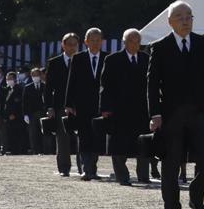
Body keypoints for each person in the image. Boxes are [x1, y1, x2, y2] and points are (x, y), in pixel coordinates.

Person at [147, 1, 204, 209]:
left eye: (189, 16)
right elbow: (152, 83)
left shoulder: (203, 43)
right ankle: (172, 208)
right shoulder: (159, 47)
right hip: (171, 115)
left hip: (199, 112)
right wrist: (155, 113)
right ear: (170, 22)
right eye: (180, 17)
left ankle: (197, 200)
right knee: (170, 163)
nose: (185, 20)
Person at [98, 30, 150, 185]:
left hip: (141, 109)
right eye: (131, 41)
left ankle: (143, 176)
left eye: (137, 41)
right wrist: (105, 107)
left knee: (143, 143)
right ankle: (122, 176)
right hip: (119, 109)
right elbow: (105, 85)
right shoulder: (113, 59)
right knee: (119, 144)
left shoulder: (146, 59)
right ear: (124, 42)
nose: (135, 45)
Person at [64, 28, 108, 181]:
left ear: (102, 41)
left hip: (101, 105)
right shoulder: (78, 58)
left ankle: (93, 169)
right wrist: (68, 104)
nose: (95, 43)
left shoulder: (107, 58)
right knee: (83, 136)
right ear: (86, 42)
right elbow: (72, 81)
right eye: (92, 40)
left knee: (97, 137)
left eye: (98, 40)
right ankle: (86, 169)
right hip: (81, 105)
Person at [44, 34, 79, 175]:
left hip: (78, 105)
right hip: (60, 105)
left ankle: (84, 167)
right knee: (62, 138)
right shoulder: (54, 62)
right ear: (63, 45)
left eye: (75, 44)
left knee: (81, 137)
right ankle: (64, 168)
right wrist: (49, 107)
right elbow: (48, 88)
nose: (72, 47)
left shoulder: (81, 59)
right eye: (69, 44)